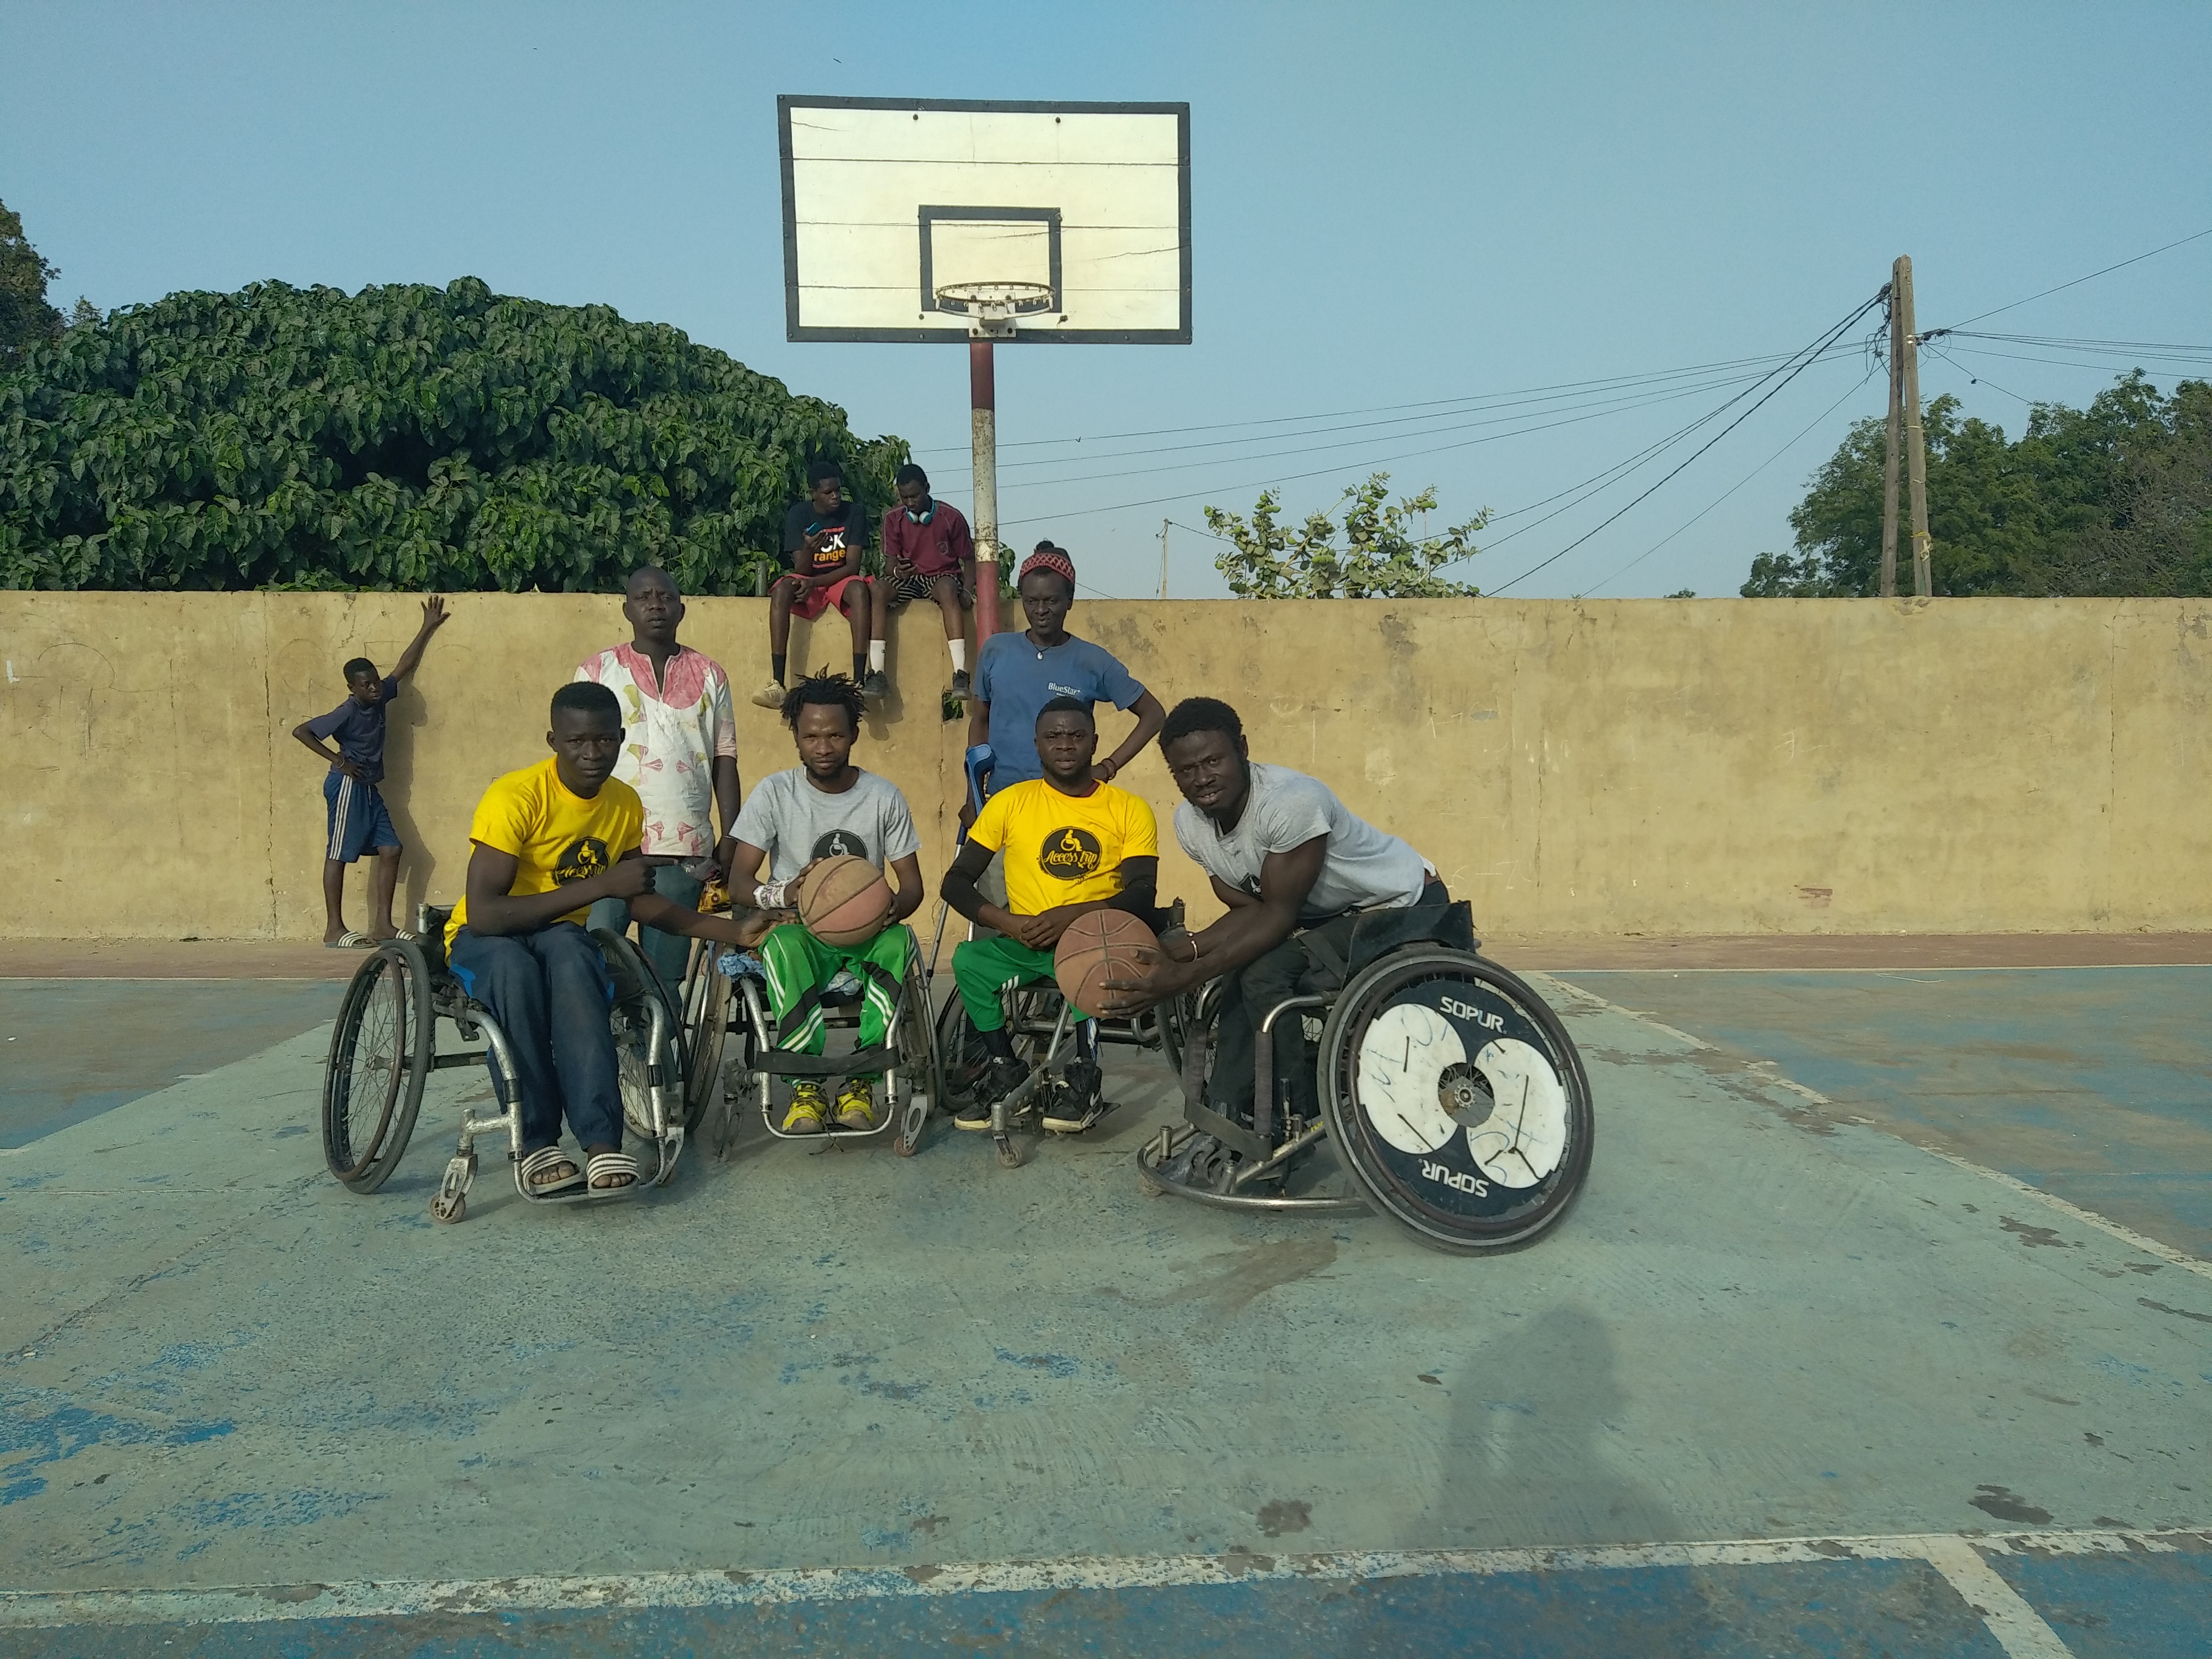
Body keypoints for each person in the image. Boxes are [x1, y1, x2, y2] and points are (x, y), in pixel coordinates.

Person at [443, 682, 781, 1196]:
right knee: (516, 974)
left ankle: (602, 1144)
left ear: (621, 738)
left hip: (557, 935)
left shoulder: (623, 803)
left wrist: (734, 931)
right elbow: (487, 914)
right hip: (488, 937)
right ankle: (537, 1142)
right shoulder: (515, 797)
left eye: (604, 740)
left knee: (578, 960)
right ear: (554, 740)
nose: (592, 753)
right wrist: (599, 886)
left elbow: (641, 902)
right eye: (578, 741)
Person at [1100, 696, 1444, 1146]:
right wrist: (1177, 951)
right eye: (1185, 771)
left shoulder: (1291, 803)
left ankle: (1292, 1115)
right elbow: (1249, 909)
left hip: (1401, 905)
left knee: (1263, 974)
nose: (1202, 779)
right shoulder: (1190, 823)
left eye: (1213, 761)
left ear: (1242, 748)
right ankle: (1227, 1113)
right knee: (1236, 973)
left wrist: (1184, 976)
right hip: (1331, 915)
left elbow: (1278, 918)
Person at [941, 697, 1159, 1136]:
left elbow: (1141, 895)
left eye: (1076, 736)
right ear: (1037, 745)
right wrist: (1010, 925)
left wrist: (1073, 916)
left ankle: (1085, 1076)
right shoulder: (1010, 803)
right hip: (1026, 939)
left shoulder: (1128, 808)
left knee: (1084, 957)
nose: (1065, 745)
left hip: (1096, 938)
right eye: (1054, 736)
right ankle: (1005, 1067)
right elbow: (955, 883)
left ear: (1095, 743)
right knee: (968, 961)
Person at [719, 672, 925, 1135]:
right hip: (797, 928)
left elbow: (912, 886)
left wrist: (890, 908)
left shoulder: (882, 796)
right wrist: (785, 894)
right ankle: (805, 1085)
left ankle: (864, 1077)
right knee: (784, 946)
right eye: (811, 735)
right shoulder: (775, 793)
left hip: (865, 933)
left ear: (853, 734)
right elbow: (738, 882)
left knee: (900, 943)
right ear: (795, 736)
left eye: (835, 734)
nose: (824, 746)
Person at [574, 566, 741, 990]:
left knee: (665, 977)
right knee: (596, 962)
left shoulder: (710, 674)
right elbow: (576, 758)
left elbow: (725, 759)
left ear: (681, 609)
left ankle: (660, 1056)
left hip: (683, 850)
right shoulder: (597, 671)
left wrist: (732, 835)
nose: (655, 604)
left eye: (665, 597)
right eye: (644, 597)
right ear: (626, 608)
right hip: (607, 849)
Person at [290, 596, 450, 947]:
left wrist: (427, 628)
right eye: (366, 685)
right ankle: (334, 929)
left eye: (375, 682)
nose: (375, 688)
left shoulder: (381, 697)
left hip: (369, 789)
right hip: (347, 786)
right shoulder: (346, 711)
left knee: (392, 849)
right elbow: (303, 731)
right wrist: (338, 759)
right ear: (352, 688)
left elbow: (403, 668)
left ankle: (383, 927)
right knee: (339, 853)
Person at [964, 545, 1164, 813]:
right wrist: (973, 795)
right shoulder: (996, 650)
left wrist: (1108, 767)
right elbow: (980, 721)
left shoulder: (1092, 661)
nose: (1041, 610)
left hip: (1068, 805)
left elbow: (1154, 714)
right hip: (1005, 801)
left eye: (1052, 600)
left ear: (1069, 600)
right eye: (1031, 601)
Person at [753, 458, 887, 708]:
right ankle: (777, 683)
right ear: (814, 493)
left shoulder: (854, 513)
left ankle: (859, 680)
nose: (835, 497)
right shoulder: (799, 515)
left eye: (837, 490)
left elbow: (852, 566)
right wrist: (808, 549)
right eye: (828, 493)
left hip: (840, 579)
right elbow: (801, 570)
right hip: (811, 579)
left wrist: (814, 583)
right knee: (781, 590)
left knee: (859, 590)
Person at [878, 462, 977, 698]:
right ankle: (876, 673)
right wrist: (897, 573)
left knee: (946, 589)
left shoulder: (950, 517)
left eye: (915, 496)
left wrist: (967, 589)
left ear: (927, 488)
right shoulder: (893, 519)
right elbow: (889, 565)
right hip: (909, 579)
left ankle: (960, 673)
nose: (911, 503)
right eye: (905, 498)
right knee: (877, 590)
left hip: (941, 577)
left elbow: (970, 560)